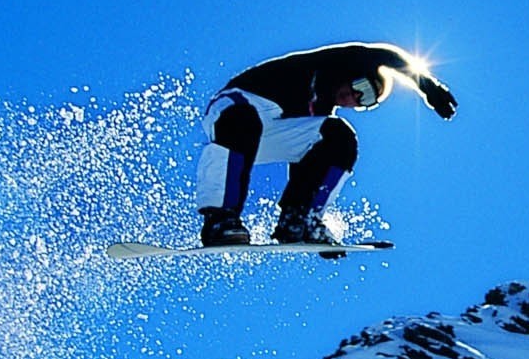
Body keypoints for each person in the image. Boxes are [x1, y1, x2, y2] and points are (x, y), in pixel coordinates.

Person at [195, 40, 458, 246]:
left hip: (270, 135)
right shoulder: (329, 66)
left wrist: (297, 205)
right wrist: (428, 87)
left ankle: (300, 219)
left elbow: (306, 164)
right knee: (245, 121)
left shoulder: (321, 115)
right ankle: (221, 219)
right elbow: (386, 55)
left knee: (338, 136)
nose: (355, 97)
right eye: (362, 86)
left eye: (365, 100)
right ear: (354, 71)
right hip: (238, 107)